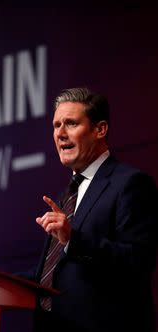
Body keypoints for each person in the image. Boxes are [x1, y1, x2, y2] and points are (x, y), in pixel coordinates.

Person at [21, 88, 157, 332]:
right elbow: (51, 273)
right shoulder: (67, 195)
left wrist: (73, 240)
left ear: (100, 129)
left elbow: (138, 261)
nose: (60, 133)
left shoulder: (130, 183)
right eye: (56, 125)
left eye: (71, 123)